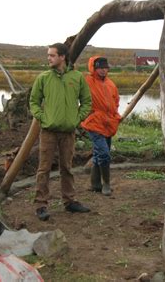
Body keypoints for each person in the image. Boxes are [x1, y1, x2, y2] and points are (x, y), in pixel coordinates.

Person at [29, 43, 92, 221]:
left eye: (52, 55)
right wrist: (42, 117)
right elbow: (33, 101)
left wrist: (76, 119)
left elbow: (87, 102)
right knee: (44, 168)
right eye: (48, 55)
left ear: (63, 57)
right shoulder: (43, 78)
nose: (48, 58)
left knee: (67, 167)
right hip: (48, 131)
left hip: (68, 131)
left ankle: (70, 201)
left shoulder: (77, 77)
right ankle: (41, 205)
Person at [81, 56, 121, 196]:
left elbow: (116, 100)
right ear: (94, 68)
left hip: (109, 123)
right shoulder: (86, 81)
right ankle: (106, 184)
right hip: (94, 122)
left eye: (105, 68)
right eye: (100, 68)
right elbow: (79, 96)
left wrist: (113, 114)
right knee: (104, 153)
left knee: (99, 154)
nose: (103, 70)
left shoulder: (111, 84)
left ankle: (95, 184)